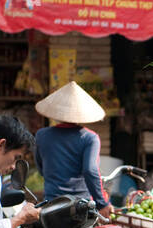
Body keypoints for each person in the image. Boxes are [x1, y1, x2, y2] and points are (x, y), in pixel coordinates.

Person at [33, 81, 115, 217]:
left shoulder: (42, 135)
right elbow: (90, 170)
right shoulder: (90, 138)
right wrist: (102, 204)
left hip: (51, 204)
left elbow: (41, 169)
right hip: (80, 206)